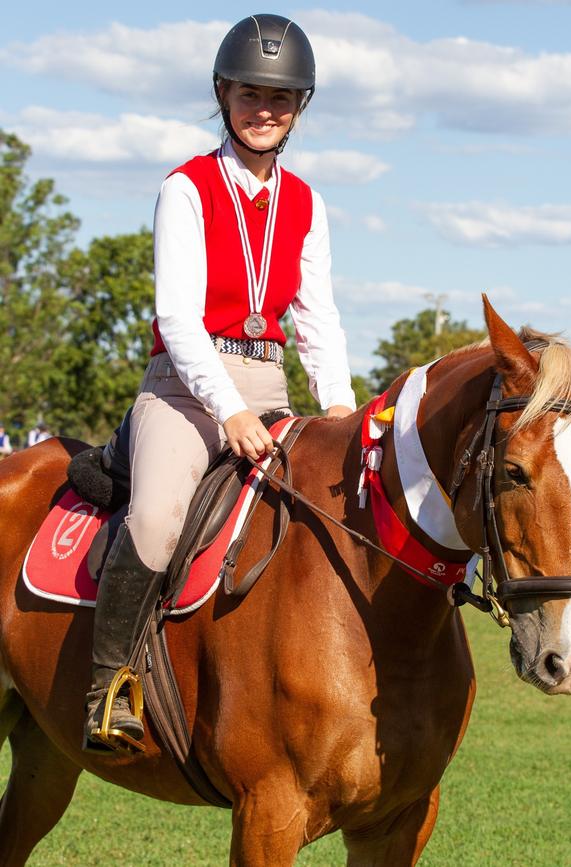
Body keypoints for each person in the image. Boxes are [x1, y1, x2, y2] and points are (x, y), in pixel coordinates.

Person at [84, 13, 356, 749]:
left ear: (299, 107)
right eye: (248, 94)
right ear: (221, 93)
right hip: (184, 385)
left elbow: (316, 316)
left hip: (270, 385)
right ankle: (109, 686)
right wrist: (228, 410)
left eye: (280, 98)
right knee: (158, 519)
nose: (263, 110)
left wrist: (339, 409)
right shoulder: (186, 189)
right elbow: (176, 316)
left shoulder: (307, 203)